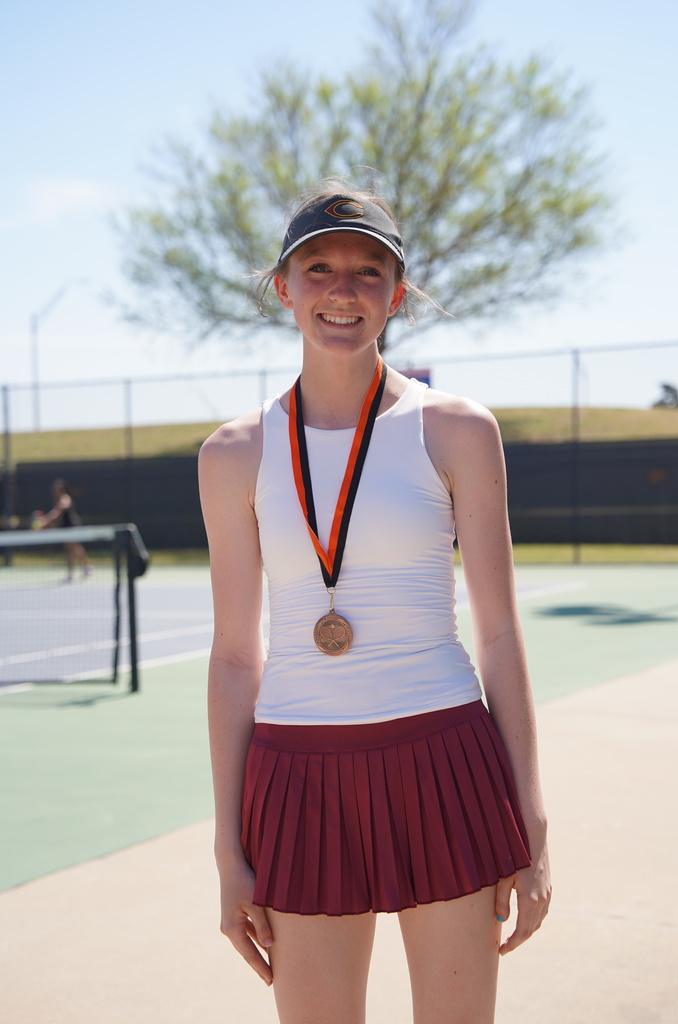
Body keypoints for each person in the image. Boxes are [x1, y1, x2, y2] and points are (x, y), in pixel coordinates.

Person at [198, 180, 551, 1024]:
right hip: (295, 778)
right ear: (283, 288)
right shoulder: (232, 454)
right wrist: (228, 847)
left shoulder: (457, 429)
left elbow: (499, 635)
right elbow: (235, 656)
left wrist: (529, 819)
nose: (342, 290)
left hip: (444, 761)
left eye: (368, 271)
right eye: (317, 268)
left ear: (397, 294)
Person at [37, 478, 93, 581]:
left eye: (56, 489)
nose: (54, 491)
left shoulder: (65, 499)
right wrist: (52, 526)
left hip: (72, 527)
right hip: (66, 528)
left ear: (61, 489)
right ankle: (86, 567)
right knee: (74, 548)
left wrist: (45, 520)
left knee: (71, 550)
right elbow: (58, 518)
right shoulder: (58, 500)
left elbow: (57, 512)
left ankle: (73, 573)